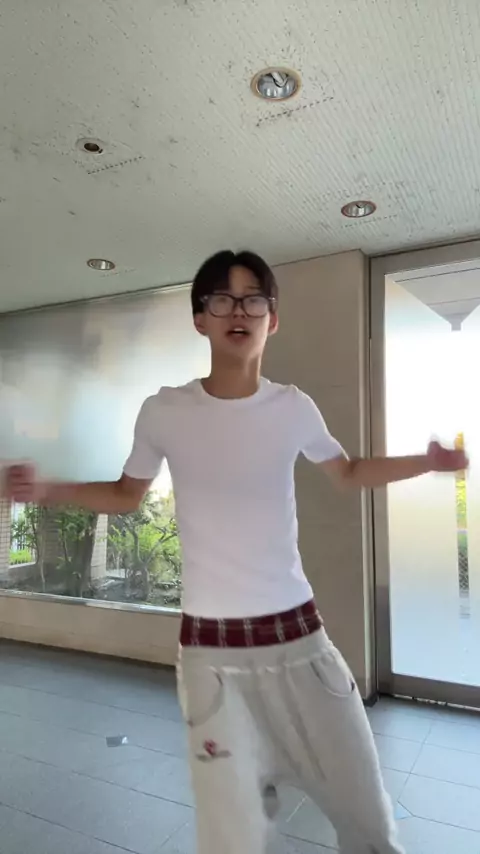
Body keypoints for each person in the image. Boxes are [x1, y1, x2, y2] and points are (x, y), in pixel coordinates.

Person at [3, 250, 467, 854]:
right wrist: (45, 488)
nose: (239, 311)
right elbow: (124, 495)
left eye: (254, 299)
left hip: (302, 646)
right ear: (201, 318)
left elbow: (349, 472)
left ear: (274, 318)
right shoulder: (165, 409)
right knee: (234, 839)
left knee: (370, 823)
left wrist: (425, 462)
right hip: (212, 659)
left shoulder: (292, 406)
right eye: (222, 298)